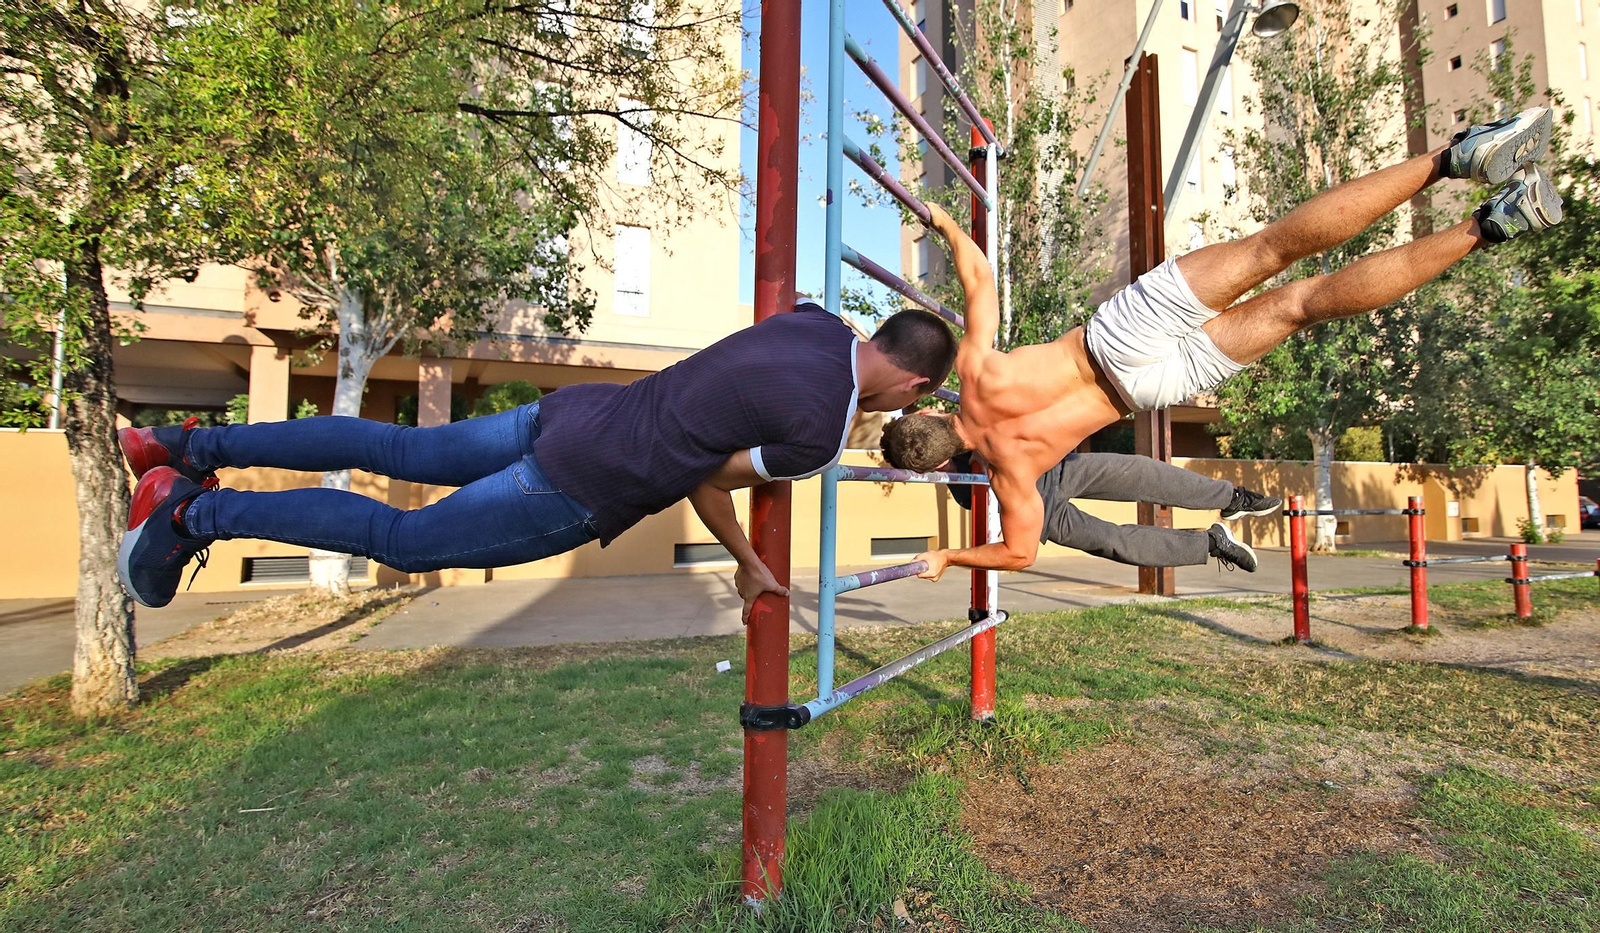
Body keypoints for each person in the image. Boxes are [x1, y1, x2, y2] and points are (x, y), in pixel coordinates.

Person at [881, 108, 1563, 579]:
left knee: (1301, 306)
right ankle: (1454, 158)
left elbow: (1020, 553)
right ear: (929, 409)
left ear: (943, 464)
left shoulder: (1010, 476)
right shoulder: (976, 372)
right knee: (1272, 248)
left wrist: (948, 557)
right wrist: (945, 222)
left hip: (1144, 387)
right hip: (1118, 334)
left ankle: (1491, 225)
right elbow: (979, 278)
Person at [118, 301, 958, 618]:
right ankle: (190, 513)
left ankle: (183, 447)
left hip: (575, 411)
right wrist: (747, 562)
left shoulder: (815, 322)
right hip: (581, 483)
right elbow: (708, 477)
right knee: (401, 540)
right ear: (915, 383)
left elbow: (742, 387)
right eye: (912, 399)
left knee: (393, 444)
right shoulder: (819, 435)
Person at [945, 451, 1281, 571]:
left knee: (1143, 474)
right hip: (1040, 516)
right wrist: (949, 557)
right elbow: (1016, 546)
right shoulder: (958, 484)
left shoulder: (955, 428)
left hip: (1056, 470)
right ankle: (1213, 543)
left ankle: (1232, 498)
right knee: (1116, 544)